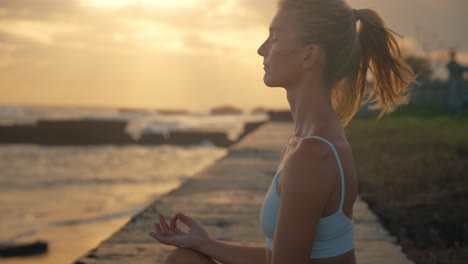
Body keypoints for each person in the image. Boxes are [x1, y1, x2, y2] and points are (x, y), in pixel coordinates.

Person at [149, 0, 414, 263]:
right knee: (185, 258)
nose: (261, 49)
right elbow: (276, 257)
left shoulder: (312, 154)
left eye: (275, 38)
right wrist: (206, 244)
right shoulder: (307, 138)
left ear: (309, 55)